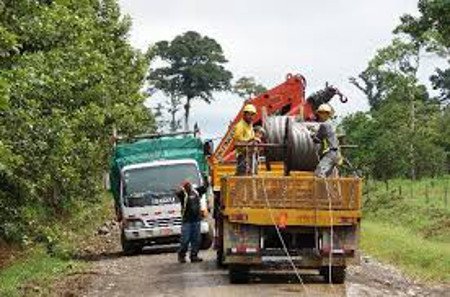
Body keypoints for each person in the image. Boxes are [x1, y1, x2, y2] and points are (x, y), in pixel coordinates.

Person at [176, 180, 207, 263]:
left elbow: (205, 188)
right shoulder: (183, 195)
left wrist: (206, 179)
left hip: (196, 220)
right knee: (185, 240)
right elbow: (177, 193)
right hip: (187, 221)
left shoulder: (196, 192)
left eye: (189, 185)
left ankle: (194, 256)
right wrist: (180, 188)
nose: (188, 186)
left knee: (196, 239)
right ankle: (181, 255)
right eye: (186, 185)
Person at [311, 103, 341, 177]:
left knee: (318, 173)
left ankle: (320, 189)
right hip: (337, 154)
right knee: (328, 176)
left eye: (321, 113)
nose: (320, 115)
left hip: (331, 154)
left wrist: (311, 134)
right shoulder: (332, 124)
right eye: (320, 113)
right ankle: (327, 188)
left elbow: (317, 139)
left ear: (326, 114)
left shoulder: (324, 125)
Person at [233, 104, 257, 175]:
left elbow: (252, 138)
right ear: (244, 114)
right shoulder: (240, 126)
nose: (251, 117)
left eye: (252, 115)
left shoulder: (250, 125)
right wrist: (249, 142)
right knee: (243, 178)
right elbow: (237, 143)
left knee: (252, 176)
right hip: (243, 157)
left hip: (251, 156)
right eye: (249, 114)